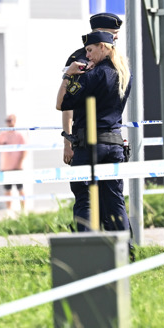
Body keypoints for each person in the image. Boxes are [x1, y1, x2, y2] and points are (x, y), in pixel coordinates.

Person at [57, 29, 132, 234]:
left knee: (85, 201)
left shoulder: (94, 74)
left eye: (90, 50)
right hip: (115, 145)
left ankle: (87, 252)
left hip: (90, 146)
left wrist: (68, 75)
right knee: (115, 202)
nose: (87, 55)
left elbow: (61, 103)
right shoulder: (124, 73)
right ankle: (126, 253)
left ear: (102, 47)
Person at [62, 12, 123, 167]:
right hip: (86, 140)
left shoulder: (113, 61)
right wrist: (68, 142)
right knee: (85, 189)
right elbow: (67, 105)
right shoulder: (81, 60)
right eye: (114, 33)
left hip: (108, 138)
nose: (116, 38)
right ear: (101, 32)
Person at [0, 114, 28, 212]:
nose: (9, 122)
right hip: (6, 166)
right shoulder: (2, 134)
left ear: (15, 121)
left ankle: (23, 210)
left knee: (20, 188)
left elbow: (25, 150)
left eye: (10, 120)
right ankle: (9, 210)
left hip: (17, 167)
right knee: (7, 189)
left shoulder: (19, 134)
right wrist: (2, 145)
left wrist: (19, 162)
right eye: (7, 120)